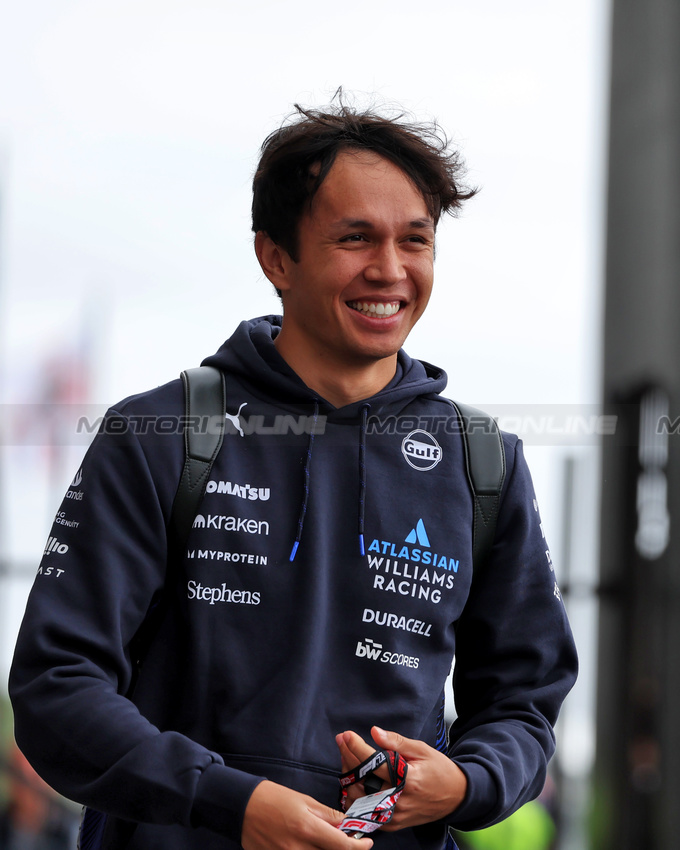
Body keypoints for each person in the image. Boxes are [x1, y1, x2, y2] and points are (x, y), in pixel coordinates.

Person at [8, 99, 577, 850]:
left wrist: (467, 781)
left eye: (416, 240)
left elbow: (522, 703)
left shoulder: (482, 462)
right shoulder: (160, 434)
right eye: (354, 238)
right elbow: (57, 690)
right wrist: (230, 802)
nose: (390, 269)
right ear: (276, 257)